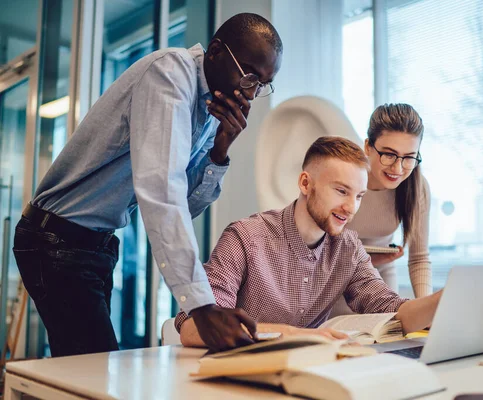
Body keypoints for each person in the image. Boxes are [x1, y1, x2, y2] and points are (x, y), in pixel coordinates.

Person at [12, 13, 283, 356]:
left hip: (95, 245)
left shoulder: (212, 107)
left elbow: (187, 206)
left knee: (86, 366)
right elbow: (162, 193)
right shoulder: (169, 75)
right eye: (248, 76)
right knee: (91, 370)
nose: (250, 93)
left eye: (262, 84)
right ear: (215, 51)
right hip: (57, 238)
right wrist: (201, 306)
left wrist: (219, 151)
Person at [174, 136, 442, 347]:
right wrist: (292, 334)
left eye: (359, 196)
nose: (350, 208)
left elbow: (391, 310)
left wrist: (442, 301)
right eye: (341, 191)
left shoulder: (348, 248)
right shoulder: (245, 237)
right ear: (305, 183)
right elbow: (194, 326)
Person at [332, 104, 432, 318]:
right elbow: (314, 255)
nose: (397, 169)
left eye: (409, 157)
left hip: (381, 279)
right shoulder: (344, 179)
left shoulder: (417, 186)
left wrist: (427, 313)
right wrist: (366, 262)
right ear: (368, 146)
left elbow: (419, 258)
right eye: (389, 154)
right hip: (334, 283)